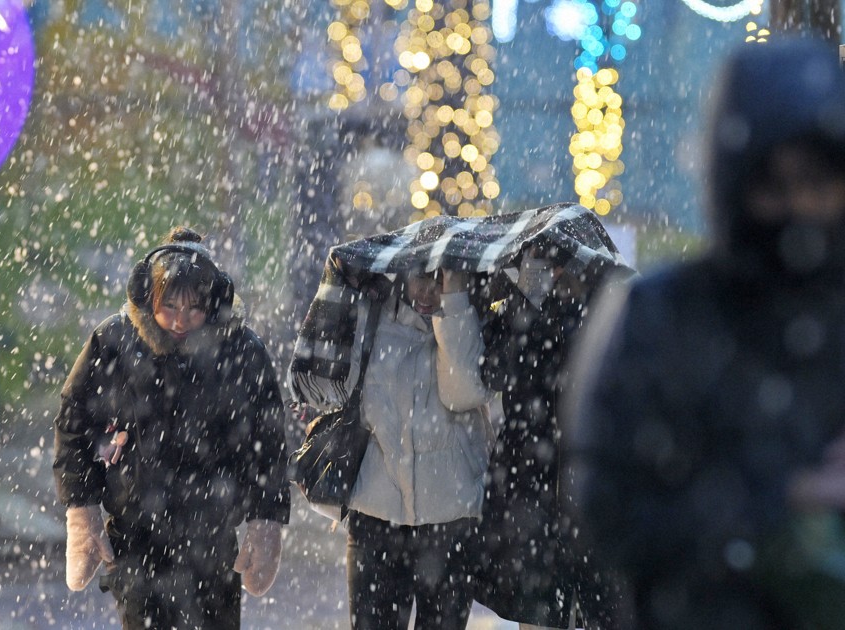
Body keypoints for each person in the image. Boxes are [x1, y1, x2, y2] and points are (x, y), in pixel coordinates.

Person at [566, 38, 845, 630]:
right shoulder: (663, 316)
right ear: (735, 186)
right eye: (775, 188)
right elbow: (609, 507)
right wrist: (771, 508)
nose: (800, 208)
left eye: (820, 185)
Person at [53, 227, 290, 630]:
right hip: (136, 537)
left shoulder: (241, 350)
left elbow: (267, 441)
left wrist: (265, 522)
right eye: (170, 307)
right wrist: (83, 510)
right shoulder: (115, 340)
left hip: (213, 537)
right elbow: (74, 421)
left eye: (193, 308)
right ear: (150, 298)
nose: (180, 321)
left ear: (211, 302)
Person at [291, 261, 494, 630]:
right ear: (402, 275)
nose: (428, 291)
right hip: (377, 516)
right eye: (421, 278)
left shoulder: (468, 319)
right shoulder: (373, 318)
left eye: (440, 280)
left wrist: (456, 303)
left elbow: (462, 392)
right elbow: (323, 385)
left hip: (449, 520)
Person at [469, 245, 627, 629]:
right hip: (529, 477)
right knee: (537, 604)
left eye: (562, 262)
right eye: (546, 262)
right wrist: (525, 301)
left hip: (581, 477)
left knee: (595, 604)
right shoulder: (523, 309)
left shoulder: (606, 314)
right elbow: (494, 373)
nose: (556, 271)